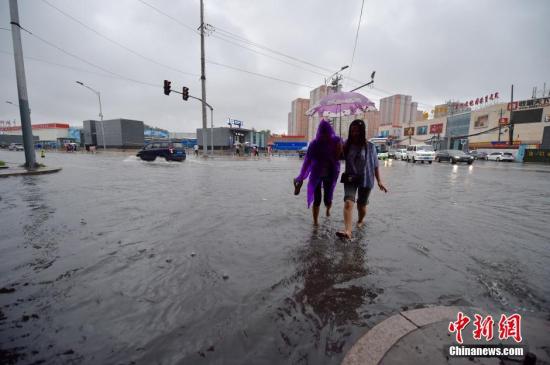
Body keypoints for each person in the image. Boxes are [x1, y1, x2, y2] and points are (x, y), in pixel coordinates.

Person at [337, 119, 388, 239]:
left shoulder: (370, 146)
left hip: (366, 178)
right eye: (352, 130)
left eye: (357, 131)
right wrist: (339, 149)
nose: (354, 133)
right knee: (348, 202)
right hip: (351, 178)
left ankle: (360, 220)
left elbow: (375, 165)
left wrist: (379, 181)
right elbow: (338, 158)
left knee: (361, 205)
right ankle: (348, 231)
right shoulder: (346, 144)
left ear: (362, 131)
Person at [294, 120, 343, 226]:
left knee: (328, 199)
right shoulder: (314, 144)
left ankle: (327, 210)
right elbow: (307, 161)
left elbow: (340, 157)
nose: (324, 135)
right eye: (322, 132)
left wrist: (340, 149)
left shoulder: (336, 141)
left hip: (330, 175)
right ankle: (315, 222)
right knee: (317, 199)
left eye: (327, 132)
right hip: (316, 175)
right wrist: (301, 176)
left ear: (330, 132)